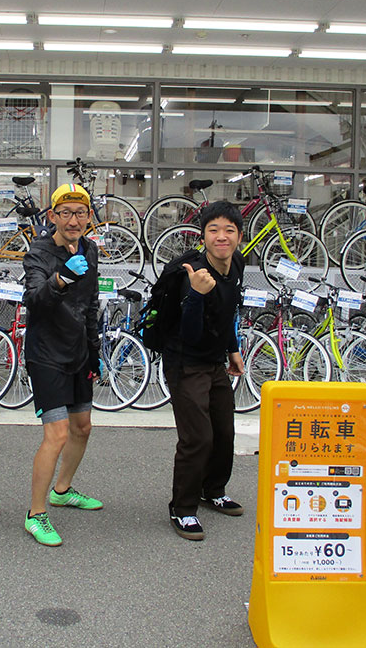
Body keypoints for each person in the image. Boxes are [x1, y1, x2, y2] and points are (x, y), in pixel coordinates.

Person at [21, 183, 103, 547]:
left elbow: (91, 304)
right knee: (55, 435)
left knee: (82, 427)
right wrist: (61, 278)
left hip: (78, 352)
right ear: (52, 216)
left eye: (80, 213)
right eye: (65, 212)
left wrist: (95, 351)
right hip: (46, 354)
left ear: (89, 218)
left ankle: (62, 489)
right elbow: (34, 300)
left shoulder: (90, 249)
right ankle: (35, 514)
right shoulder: (39, 251)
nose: (73, 220)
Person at [163, 200, 247, 541]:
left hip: (214, 361)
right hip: (185, 361)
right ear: (203, 237)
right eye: (213, 230)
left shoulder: (236, 265)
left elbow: (227, 311)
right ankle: (182, 509)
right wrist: (197, 295)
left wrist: (233, 349)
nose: (221, 237)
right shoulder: (192, 274)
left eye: (229, 230)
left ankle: (213, 489)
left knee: (224, 432)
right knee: (198, 437)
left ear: (239, 237)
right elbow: (191, 333)